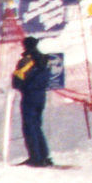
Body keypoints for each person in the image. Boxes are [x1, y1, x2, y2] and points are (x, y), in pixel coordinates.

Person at [11, 38, 54, 167]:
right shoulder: (45, 60)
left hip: (29, 96)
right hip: (41, 96)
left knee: (29, 127)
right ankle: (44, 155)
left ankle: (35, 157)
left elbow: (17, 81)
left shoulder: (26, 61)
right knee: (37, 126)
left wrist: (20, 84)